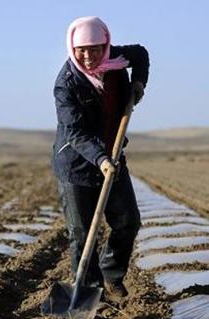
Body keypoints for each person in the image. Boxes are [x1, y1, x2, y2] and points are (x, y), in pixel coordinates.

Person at [52, 16, 149, 300]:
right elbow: (76, 133)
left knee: (128, 221)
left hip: (114, 155)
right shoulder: (66, 84)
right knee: (82, 233)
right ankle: (87, 292)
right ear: (72, 47)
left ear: (105, 45)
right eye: (82, 49)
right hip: (77, 165)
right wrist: (101, 160)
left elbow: (141, 54)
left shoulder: (116, 58)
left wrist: (139, 82)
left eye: (95, 48)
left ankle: (111, 275)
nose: (89, 56)